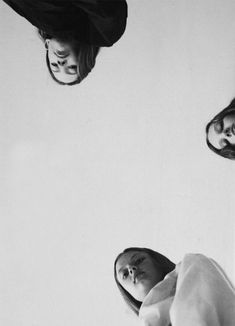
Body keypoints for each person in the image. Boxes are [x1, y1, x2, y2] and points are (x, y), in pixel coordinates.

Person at [3, 0, 128, 85]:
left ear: (47, 44)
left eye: (54, 65)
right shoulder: (102, 34)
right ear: (85, 59)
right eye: (72, 68)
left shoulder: (33, 16)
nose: (61, 63)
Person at [114, 247, 235, 326]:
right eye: (124, 274)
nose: (131, 269)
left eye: (139, 260)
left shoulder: (193, 265)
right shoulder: (147, 321)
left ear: (157, 261)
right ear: (128, 294)